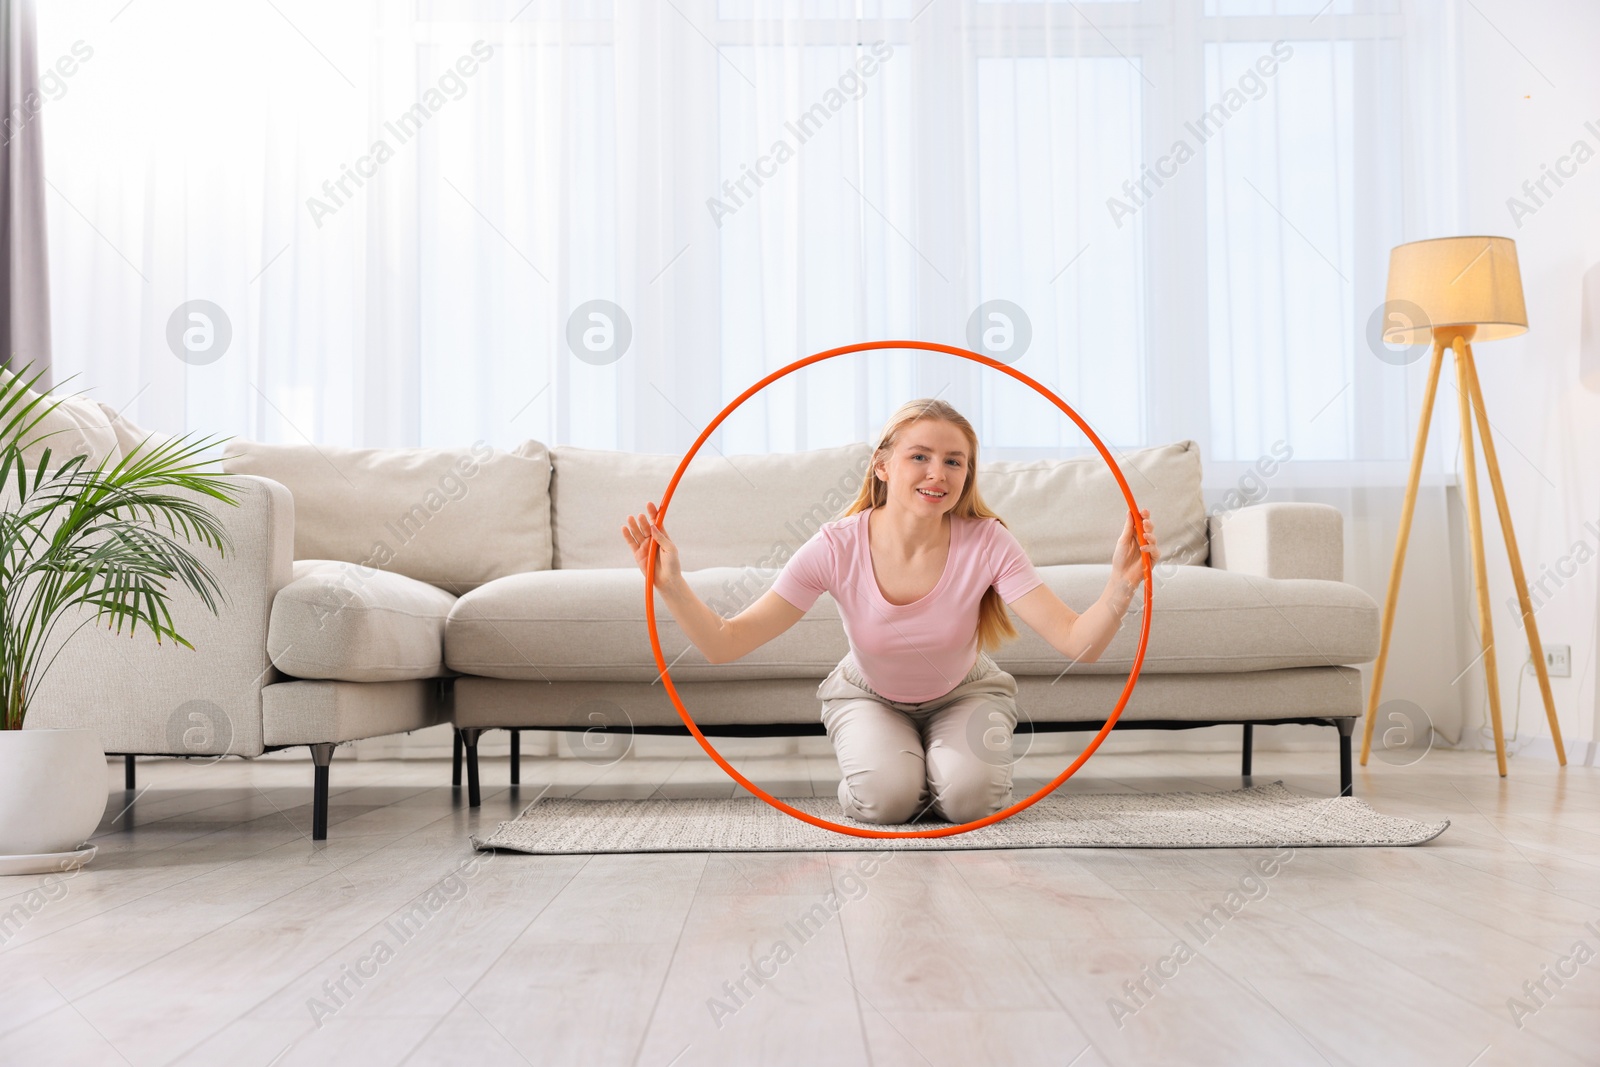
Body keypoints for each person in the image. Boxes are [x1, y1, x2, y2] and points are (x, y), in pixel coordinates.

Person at [621, 397, 1158, 825]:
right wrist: (670, 585)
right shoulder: (835, 546)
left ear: (967, 475)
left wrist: (1121, 585)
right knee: (888, 804)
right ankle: (896, 775)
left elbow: (1076, 643)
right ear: (881, 465)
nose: (937, 473)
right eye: (919, 455)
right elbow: (724, 643)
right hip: (868, 696)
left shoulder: (988, 542)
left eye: (954, 461)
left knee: (970, 803)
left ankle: (937, 774)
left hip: (966, 691)